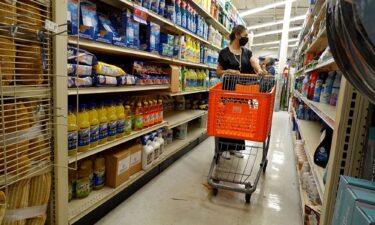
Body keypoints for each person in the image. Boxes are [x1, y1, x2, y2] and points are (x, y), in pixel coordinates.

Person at [215, 25, 264, 157]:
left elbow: (253, 62)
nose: (246, 38)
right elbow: (218, 72)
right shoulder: (224, 53)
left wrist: (259, 69)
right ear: (237, 35)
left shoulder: (246, 52)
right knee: (227, 117)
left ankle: (236, 147)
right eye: (245, 35)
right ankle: (224, 148)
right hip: (229, 91)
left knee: (240, 118)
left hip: (243, 91)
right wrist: (227, 71)